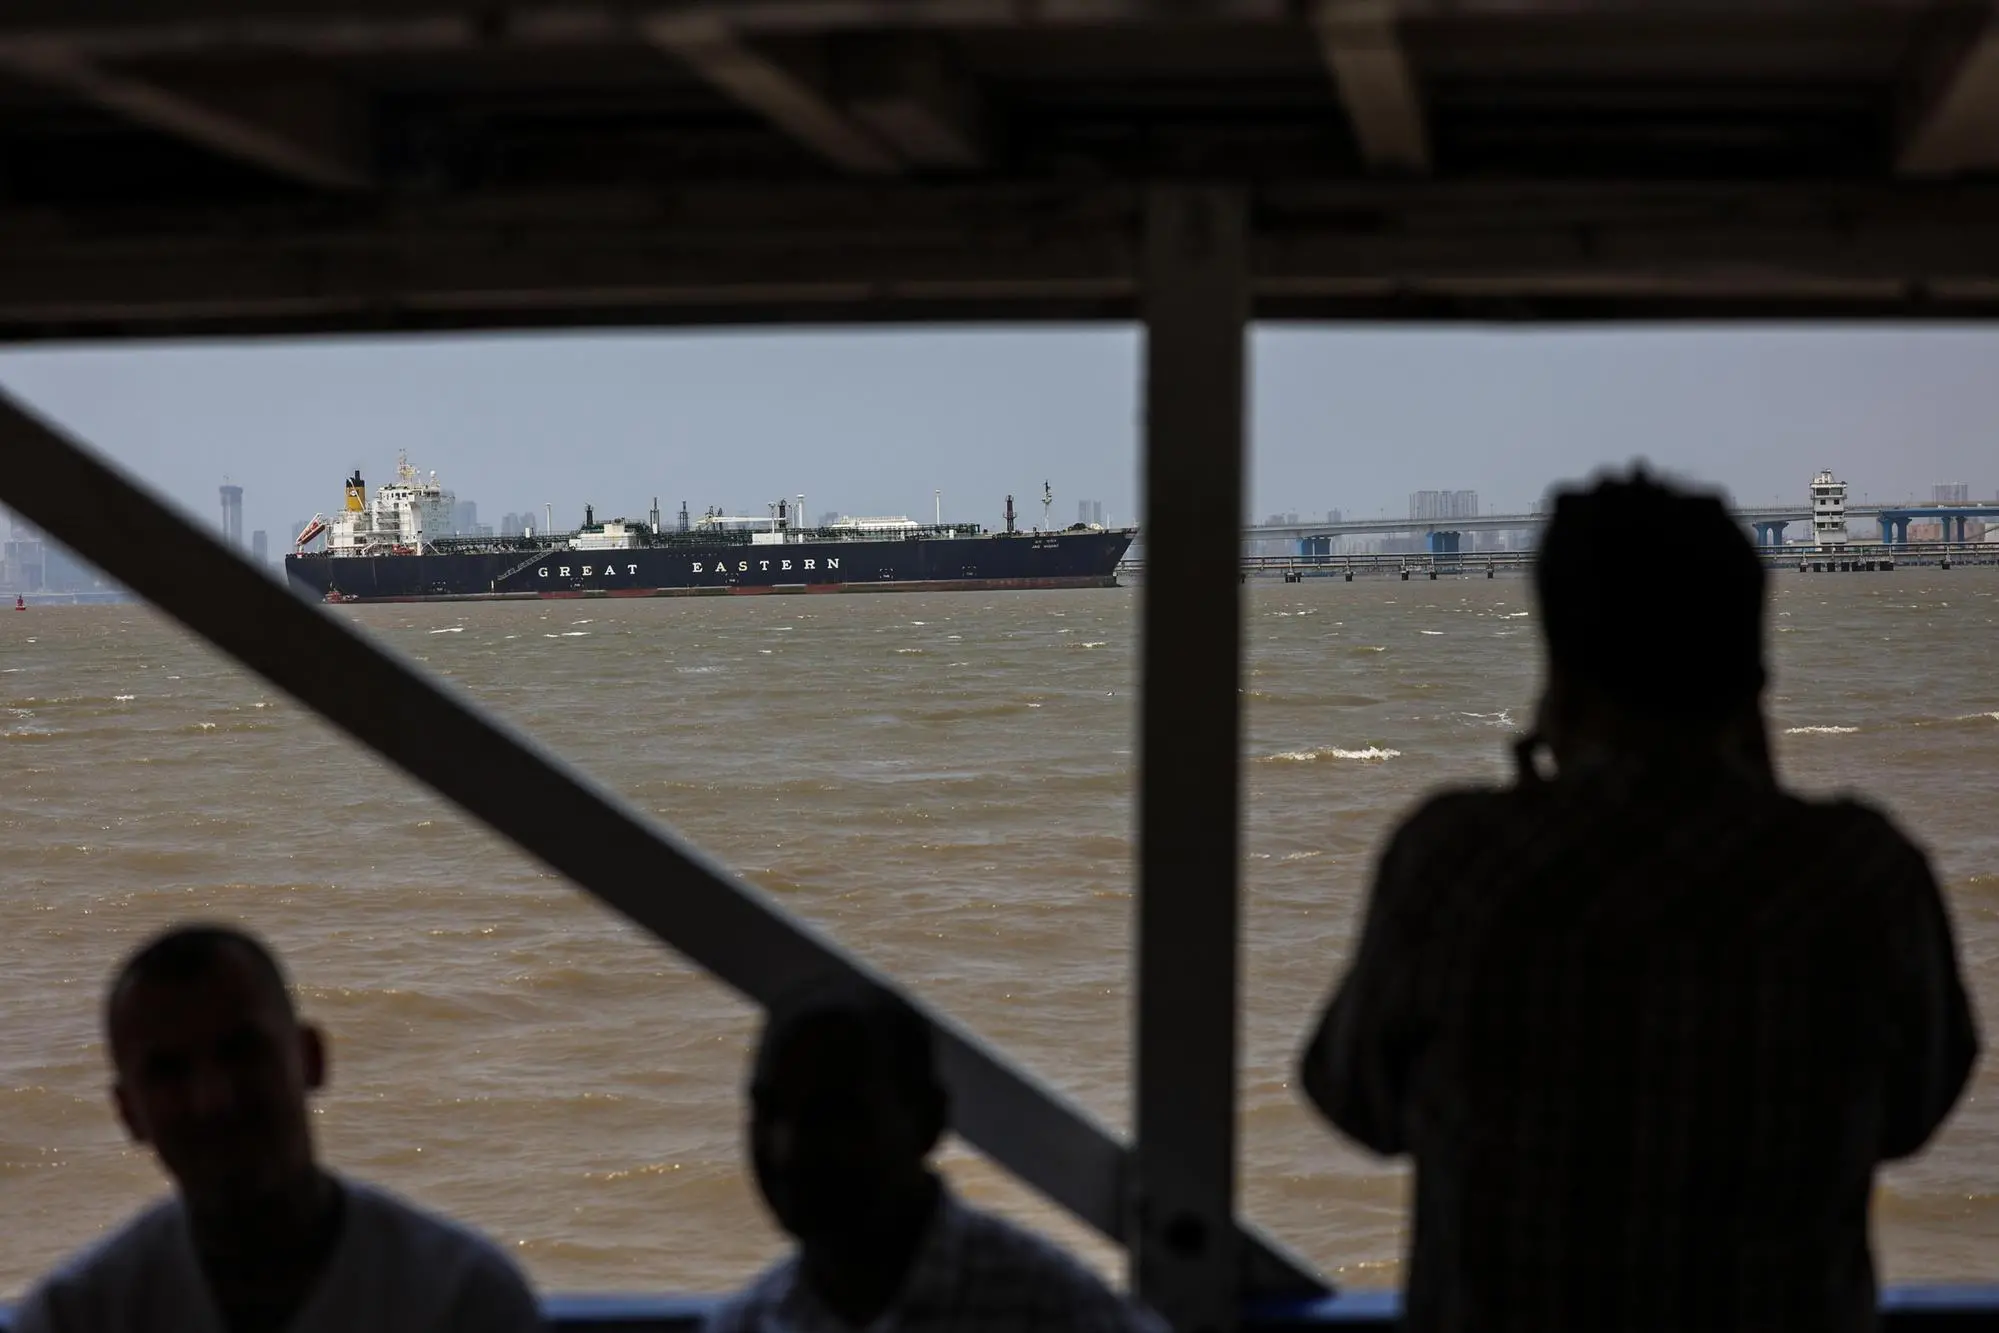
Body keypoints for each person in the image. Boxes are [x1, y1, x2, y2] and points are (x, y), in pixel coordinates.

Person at [1299, 470, 1978, 1333]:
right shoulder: (1859, 875)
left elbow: (1351, 1096)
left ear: (1558, 671)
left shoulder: (1456, 860)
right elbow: (1912, 1112)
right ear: (1753, 667)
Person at [15, 923, 543, 1333]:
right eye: (170, 1072)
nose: (213, 1100)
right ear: (129, 1113)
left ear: (311, 1059)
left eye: (242, 1053)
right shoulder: (77, 1315)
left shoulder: (463, 1298)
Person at [707, 979, 1163, 1333]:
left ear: (927, 1122)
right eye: (768, 1110)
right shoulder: (748, 1322)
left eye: (834, 1114)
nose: (787, 1149)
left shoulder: (1052, 1311)